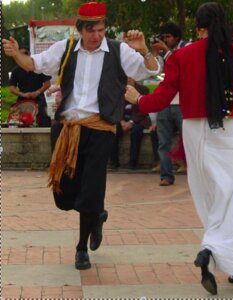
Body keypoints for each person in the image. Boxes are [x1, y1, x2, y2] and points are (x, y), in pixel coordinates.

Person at [125, 2, 233, 295]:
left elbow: (161, 98)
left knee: (212, 200)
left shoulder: (181, 57)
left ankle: (215, 250)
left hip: (195, 131)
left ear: (199, 29)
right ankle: (213, 251)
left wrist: (138, 100)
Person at [3, 1, 160, 270]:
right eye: (91, 31)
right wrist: (16, 54)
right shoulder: (65, 49)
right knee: (63, 196)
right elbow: (34, 65)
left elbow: (151, 70)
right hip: (66, 129)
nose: (96, 35)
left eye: (100, 29)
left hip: (100, 131)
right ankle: (96, 214)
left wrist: (144, 50)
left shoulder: (117, 50)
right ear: (81, 29)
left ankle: (81, 247)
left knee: (91, 191)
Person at [150, 22, 187, 186]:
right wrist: (153, 53)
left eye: (168, 37)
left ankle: (195, 174)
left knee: (189, 140)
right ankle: (166, 175)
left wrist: (165, 50)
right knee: (163, 142)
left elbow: (180, 65)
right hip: (165, 102)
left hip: (183, 103)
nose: (165, 40)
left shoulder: (186, 48)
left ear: (177, 37)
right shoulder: (164, 53)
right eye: (163, 37)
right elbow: (155, 71)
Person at [110, 78, 157, 170]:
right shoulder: (119, 90)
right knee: (113, 130)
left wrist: (131, 122)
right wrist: (121, 121)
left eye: (130, 78)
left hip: (138, 120)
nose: (128, 79)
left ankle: (133, 162)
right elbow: (116, 108)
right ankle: (114, 162)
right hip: (122, 119)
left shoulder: (143, 90)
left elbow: (143, 109)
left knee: (136, 131)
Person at [9, 46, 52, 127]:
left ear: (29, 55)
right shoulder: (16, 70)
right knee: (21, 121)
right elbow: (12, 88)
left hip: (39, 98)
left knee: (42, 120)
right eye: (20, 54)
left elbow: (47, 83)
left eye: (25, 54)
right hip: (23, 99)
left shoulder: (38, 68)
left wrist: (37, 92)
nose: (22, 56)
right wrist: (23, 94)